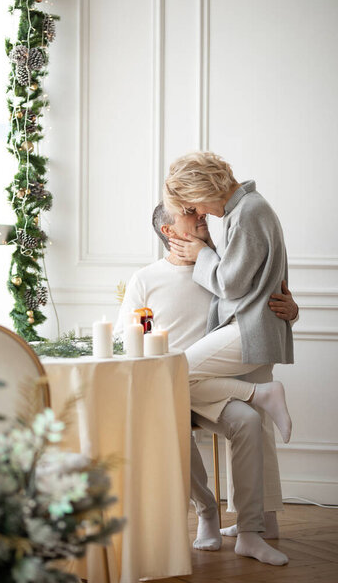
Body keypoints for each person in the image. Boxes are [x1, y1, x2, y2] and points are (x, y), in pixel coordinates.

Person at [115, 202, 298, 566]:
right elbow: (124, 336)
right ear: (169, 231)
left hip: (214, 384)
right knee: (171, 415)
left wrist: (292, 311)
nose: (202, 216)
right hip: (168, 388)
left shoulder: (223, 268)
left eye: (200, 212)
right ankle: (207, 513)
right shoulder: (146, 279)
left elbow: (262, 311)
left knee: (247, 422)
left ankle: (249, 531)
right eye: (189, 213)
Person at [162, 151, 296, 564]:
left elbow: (233, 284)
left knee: (173, 373)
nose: (198, 212)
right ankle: (260, 525)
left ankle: (263, 395)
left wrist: (200, 255)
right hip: (254, 327)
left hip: (249, 329)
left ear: (203, 189)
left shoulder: (249, 211)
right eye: (188, 210)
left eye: (193, 203)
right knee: (259, 436)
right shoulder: (247, 211)